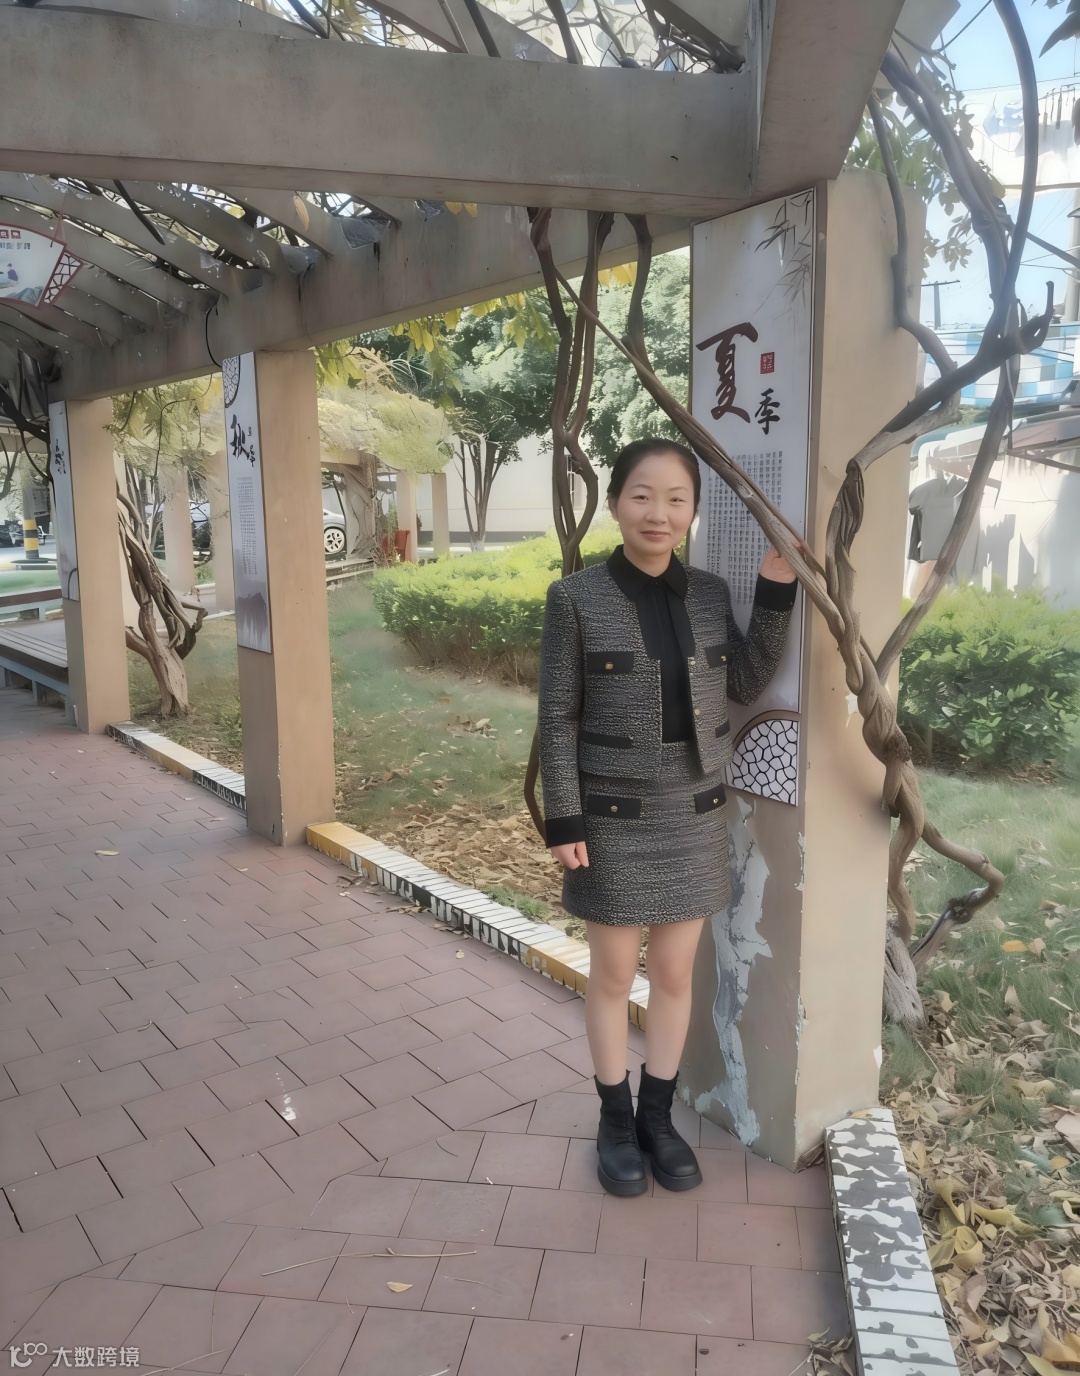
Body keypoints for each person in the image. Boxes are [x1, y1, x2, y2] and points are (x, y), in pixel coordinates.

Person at [536, 438, 798, 1196]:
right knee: (615, 974)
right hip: (613, 818)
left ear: (692, 511)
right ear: (617, 502)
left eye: (677, 498)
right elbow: (557, 717)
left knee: (677, 973)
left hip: (693, 813)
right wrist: (565, 818)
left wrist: (774, 593)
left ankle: (657, 1117)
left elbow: (746, 679)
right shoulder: (576, 598)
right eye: (643, 495)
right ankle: (614, 1120)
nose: (659, 512)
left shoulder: (709, 595)